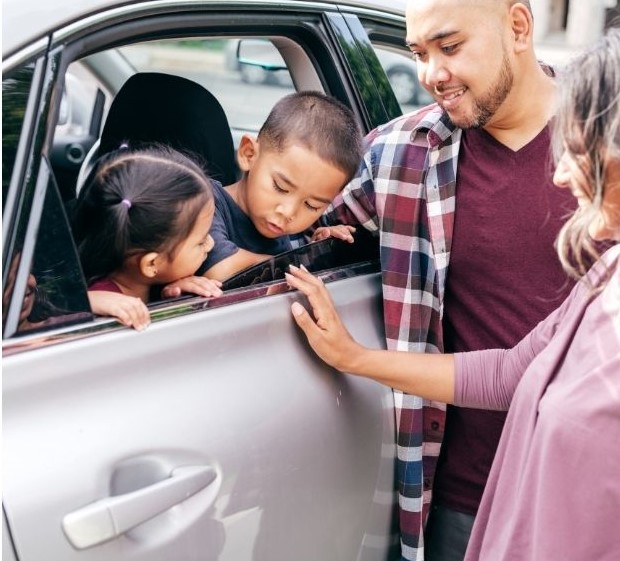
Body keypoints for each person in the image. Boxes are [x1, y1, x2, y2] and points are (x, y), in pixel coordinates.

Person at [287, 13, 620, 561]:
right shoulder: (616, 275)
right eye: (419, 52)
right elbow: (511, 371)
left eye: (579, 148)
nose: (559, 173)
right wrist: (353, 357)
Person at [319, 0, 576, 558]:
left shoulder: (617, 143)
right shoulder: (399, 155)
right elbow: (299, 232)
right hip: (460, 499)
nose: (432, 74)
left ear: (517, 26)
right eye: (419, 53)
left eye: (450, 47)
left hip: (590, 492)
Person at [197, 91, 363, 281]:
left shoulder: (288, 228)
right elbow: (220, 270)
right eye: (280, 187)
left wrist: (317, 248)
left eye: (312, 205)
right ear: (249, 154)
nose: (288, 212)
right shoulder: (204, 203)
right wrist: (301, 263)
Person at [74, 145, 223, 330]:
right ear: (152, 264)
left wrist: (169, 299)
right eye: (201, 241)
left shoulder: (150, 287)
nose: (211, 244)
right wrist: (84, 304)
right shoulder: (103, 313)